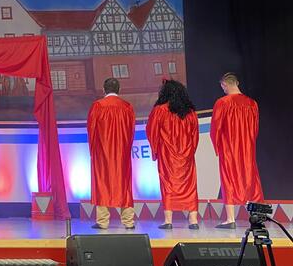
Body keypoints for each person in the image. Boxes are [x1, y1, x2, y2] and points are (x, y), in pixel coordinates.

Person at [211, 72, 264, 229]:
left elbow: (216, 128)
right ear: (237, 83)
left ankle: (230, 219)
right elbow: (255, 128)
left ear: (224, 85)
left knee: (229, 179)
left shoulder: (222, 103)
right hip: (247, 147)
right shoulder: (252, 103)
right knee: (251, 179)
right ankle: (257, 218)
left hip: (229, 148)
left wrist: (217, 146)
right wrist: (249, 142)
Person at [147, 80, 199, 230]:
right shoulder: (190, 112)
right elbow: (195, 135)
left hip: (167, 154)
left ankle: (168, 220)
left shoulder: (160, 110)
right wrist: (191, 151)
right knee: (189, 185)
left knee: (168, 184)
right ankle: (193, 220)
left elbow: (152, 131)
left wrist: (155, 150)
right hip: (186, 153)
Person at [87, 78, 136, 229]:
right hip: (122, 152)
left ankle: (103, 221)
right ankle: (128, 221)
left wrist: (93, 150)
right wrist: (127, 147)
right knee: (124, 183)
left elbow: (91, 129)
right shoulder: (127, 107)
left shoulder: (98, 106)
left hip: (102, 151)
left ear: (104, 89)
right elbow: (131, 130)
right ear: (119, 89)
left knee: (102, 182)